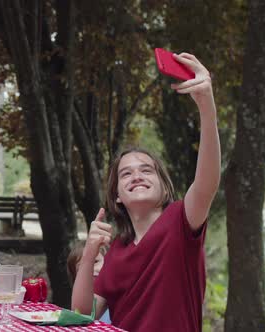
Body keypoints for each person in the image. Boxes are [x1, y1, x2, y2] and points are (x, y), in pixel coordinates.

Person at [72, 52, 220, 332]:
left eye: (147, 170)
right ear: (117, 196)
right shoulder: (116, 250)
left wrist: (205, 104)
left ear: (165, 189)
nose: (137, 175)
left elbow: (207, 181)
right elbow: (82, 316)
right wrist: (90, 252)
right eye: (126, 173)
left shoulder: (181, 220)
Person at [67, 242, 110, 324]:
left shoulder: (115, 293)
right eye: (82, 268)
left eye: (95, 262)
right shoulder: (80, 303)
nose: (90, 269)